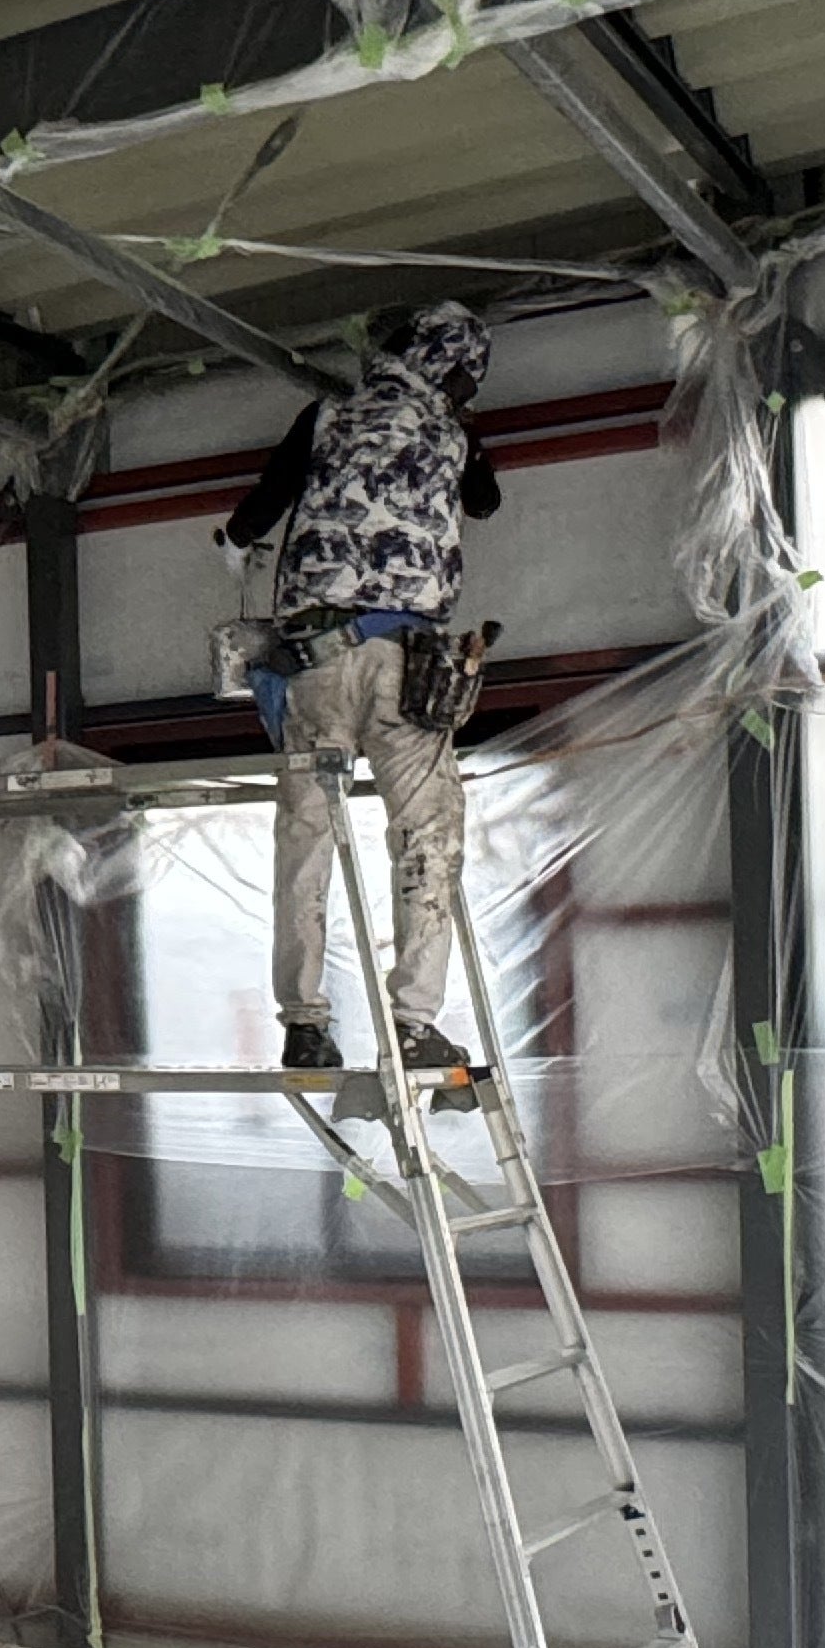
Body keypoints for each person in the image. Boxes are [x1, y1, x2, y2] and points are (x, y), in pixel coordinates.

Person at [221, 298, 502, 1076]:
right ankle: (412, 1023)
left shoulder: (326, 415)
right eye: (468, 379)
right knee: (426, 834)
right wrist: (459, 432)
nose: (468, 393)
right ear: (450, 368)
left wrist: (235, 544)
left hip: (315, 663)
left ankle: (304, 1022)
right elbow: (485, 502)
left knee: (306, 837)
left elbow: (258, 511)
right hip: (406, 668)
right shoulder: (454, 434)